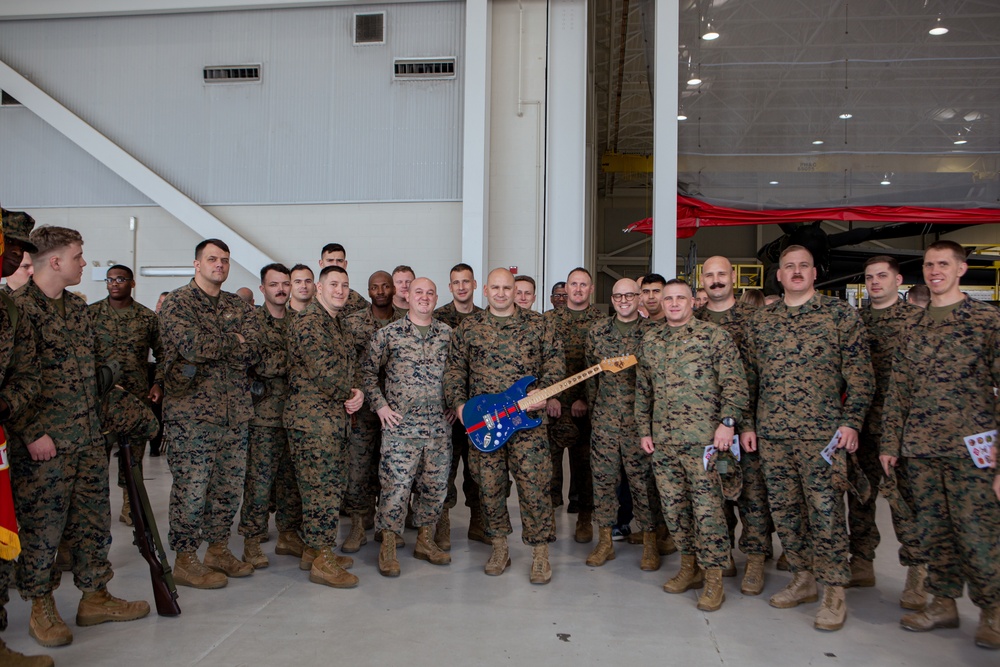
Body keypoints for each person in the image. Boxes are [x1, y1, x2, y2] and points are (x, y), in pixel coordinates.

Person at [10, 225, 149, 648]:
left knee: (93, 524)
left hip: (88, 439)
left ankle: (95, 597)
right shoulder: (17, 311)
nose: (84, 263)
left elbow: (96, 374)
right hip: (45, 446)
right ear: (54, 261)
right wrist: (32, 433)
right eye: (78, 256)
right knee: (42, 530)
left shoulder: (78, 309)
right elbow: (9, 382)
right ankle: (41, 605)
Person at [744, 245, 873, 632]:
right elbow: (748, 381)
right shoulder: (761, 321)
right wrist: (748, 425)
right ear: (778, 276)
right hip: (772, 435)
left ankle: (834, 588)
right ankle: (803, 577)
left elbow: (861, 375)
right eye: (789, 267)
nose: (796, 272)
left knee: (827, 512)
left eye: (803, 266)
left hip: (823, 436)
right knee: (785, 511)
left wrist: (851, 422)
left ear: (814, 273)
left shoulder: (838, 316)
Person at [880, 240, 1000, 650]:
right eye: (929, 265)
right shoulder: (912, 324)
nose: (935, 271)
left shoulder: (986, 320)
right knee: (933, 532)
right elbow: (898, 389)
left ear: (961, 269)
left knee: (979, 533)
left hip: (973, 449)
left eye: (943, 264)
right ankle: (943, 602)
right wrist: (890, 442)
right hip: (920, 448)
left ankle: (992, 611)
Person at [636, 279, 750, 612]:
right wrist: (645, 430)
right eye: (668, 298)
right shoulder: (651, 340)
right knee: (674, 509)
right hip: (664, 442)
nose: (672, 304)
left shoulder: (714, 337)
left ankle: (713, 578)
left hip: (704, 443)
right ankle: (690, 567)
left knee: (708, 512)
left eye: (679, 298)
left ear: (692, 302)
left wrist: (727, 423)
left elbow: (735, 384)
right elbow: (644, 390)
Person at [444, 268, 563, 583]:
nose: (500, 293)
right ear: (485, 290)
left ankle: (540, 553)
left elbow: (555, 361)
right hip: (486, 422)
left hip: (529, 426)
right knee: (490, 486)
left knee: (535, 487)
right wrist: (459, 405)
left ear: (515, 290)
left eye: (506, 288)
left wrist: (545, 388)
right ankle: (499, 547)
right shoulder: (469, 328)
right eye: (494, 287)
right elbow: (455, 370)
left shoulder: (539, 325)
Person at [159, 238, 258, 589]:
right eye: (212, 259)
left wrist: (224, 342)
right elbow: (193, 347)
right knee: (192, 488)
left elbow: (255, 347)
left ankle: (217, 548)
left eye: (225, 260)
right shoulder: (178, 303)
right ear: (197, 264)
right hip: (192, 416)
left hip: (235, 413)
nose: (219, 265)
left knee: (228, 488)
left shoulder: (237, 304)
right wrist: (233, 341)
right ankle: (185, 559)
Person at [695, 256, 774, 595]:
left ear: (733, 278)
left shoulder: (755, 319)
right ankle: (722, 551)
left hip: (745, 425)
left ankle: (755, 559)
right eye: (709, 275)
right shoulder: (693, 320)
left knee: (752, 495)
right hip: (703, 424)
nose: (716, 281)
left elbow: (762, 374)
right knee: (715, 492)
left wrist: (747, 422)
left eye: (721, 275)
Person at [365, 277, 453, 576]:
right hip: (401, 429)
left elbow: (460, 374)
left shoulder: (448, 335)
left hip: (439, 429)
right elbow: (366, 374)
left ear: (436, 297)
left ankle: (425, 541)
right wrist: (380, 406)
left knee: (435, 487)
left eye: (430, 292)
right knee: (395, 488)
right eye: (419, 292)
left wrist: (456, 404)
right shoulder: (389, 334)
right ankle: (388, 546)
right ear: (408, 296)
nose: (424, 297)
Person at [850, 256, 925, 605]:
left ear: (898, 280)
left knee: (903, 501)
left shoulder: (916, 321)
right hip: (861, 422)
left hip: (902, 427)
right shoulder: (855, 322)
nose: (875, 282)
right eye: (869, 277)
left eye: (882, 276)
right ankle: (862, 562)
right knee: (860, 496)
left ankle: (918, 572)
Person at [284, 265, 364, 588]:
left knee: (330, 490)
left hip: (333, 422)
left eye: (345, 285)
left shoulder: (337, 323)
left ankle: (314, 552)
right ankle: (322, 560)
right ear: (319, 288)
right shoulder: (309, 322)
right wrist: (352, 393)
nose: (340, 290)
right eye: (333, 284)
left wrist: (357, 392)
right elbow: (326, 373)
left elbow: (350, 365)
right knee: (320, 493)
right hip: (312, 423)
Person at [585, 278, 664, 570]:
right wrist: (596, 413)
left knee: (643, 484)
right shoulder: (597, 332)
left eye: (630, 294)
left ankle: (650, 543)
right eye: (618, 295)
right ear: (612, 298)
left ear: (639, 297)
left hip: (639, 423)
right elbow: (591, 379)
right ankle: (605, 541)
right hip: (605, 420)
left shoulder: (654, 333)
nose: (623, 300)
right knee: (603, 482)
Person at [0, 214, 50, 666]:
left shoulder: (7, 308)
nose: (17, 255)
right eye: (9, 244)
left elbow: (25, 377)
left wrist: (4, 406)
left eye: (21, 247)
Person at [238, 264, 305, 570]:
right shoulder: (251, 322)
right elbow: (258, 364)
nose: (280, 289)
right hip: (263, 416)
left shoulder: (299, 321)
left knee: (291, 480)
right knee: (259, 483)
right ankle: (252, 540)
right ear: (262, 289)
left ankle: (288, 535)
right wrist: (292, 362)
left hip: (294, 415)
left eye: (285, 284)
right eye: (274, 284)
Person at [89, 264, 164, 526]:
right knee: (95, 458)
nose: (114, 283)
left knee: (132, 457)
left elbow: (163, 354)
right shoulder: (91, 314)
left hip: (134, 400)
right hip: (101, 400)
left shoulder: (146, 318)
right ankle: (94, 510)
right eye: (110, 279)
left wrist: (159, 383)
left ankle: (130, 504)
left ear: (132, 283)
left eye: (120, 279)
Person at [341, 271, 402, 553]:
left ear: (393, 289)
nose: (380, 291)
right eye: (374, 287)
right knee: (358, 470)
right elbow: (347, 363)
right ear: (368, 291)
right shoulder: (352, 323)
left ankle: (386, 526)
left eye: (385, 286)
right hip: (364, 410)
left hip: (396, 411)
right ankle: (357, 525)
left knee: (392, 471)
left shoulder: (405, 320)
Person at [545, 268, 604, 543]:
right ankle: (548, 519)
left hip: (585, 407)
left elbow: (602, 368)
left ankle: (584, 518)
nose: (578, 289)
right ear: (564, 289)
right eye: (573, 284)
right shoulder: (547, 321)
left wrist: (585, 399)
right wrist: (549, 396)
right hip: (552, 406)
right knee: (547, 469)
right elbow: (540, 362)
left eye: (584, 284)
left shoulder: (602, 322)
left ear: (591, 289)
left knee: (585, 468)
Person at [433, 263, 485, 547]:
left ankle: (478, 523)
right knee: (445, 471)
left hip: (480, 409)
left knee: (478, 471)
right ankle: (443, 526)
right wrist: (451, 403)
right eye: (456, 282)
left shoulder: (485, 318)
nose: (462, 287)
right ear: (450, 286)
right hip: (449, 414)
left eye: (466, 282)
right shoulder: (438, 318)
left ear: (474, 285)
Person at [319, 243, 370, 314]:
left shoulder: (354, 297)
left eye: (339, 261)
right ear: (321, 263)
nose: (335, 264)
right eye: (330, 260)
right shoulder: (309, 295)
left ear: (345, 264)